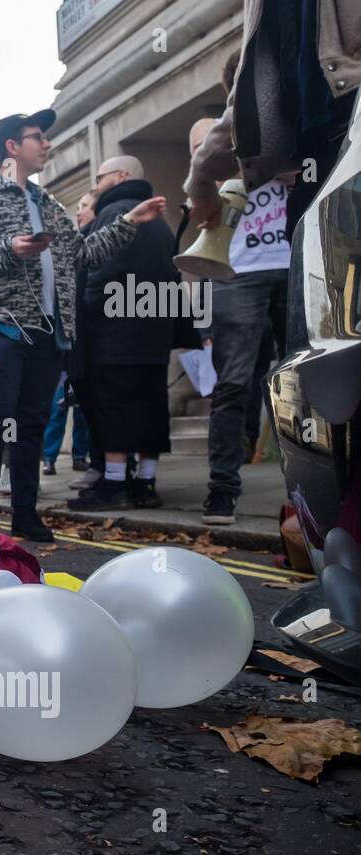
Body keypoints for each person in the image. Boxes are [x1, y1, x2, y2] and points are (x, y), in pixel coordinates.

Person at [0, 110, 166, 541]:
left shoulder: (49, 205)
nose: (47, 145)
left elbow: (83, 255)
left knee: (31, 425)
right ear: (12, 147)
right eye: (38, 138)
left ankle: (25, 512)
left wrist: (129, 223)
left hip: (48, 331)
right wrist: (10, 248)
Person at [196, 55, 293, 526]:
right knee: (233, 383)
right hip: (240, 271)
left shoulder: (300, 115)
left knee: (309, 381)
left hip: (296, 263)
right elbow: (198, 189)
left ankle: (315, 494)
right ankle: (222, 491)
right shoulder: (227, 130)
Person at [187, 2, 360, 243]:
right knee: (304, 229)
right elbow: (250, 97)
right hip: (325, 154)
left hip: (349, 134)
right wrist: (202, 176)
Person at [67, 156, 180, 511]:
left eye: (99, 177)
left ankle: (115, 484)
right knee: (151, 407)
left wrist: (86, 315)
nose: (96, 183)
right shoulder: (162, 223)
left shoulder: (111, 214)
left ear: (120, 176)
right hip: (154, 328)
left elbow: (98, 274)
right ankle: (146, 483)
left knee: (113, 407)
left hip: (114, 332)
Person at [46, 192, 95, 480]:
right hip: (59, 347)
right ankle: (50, 457)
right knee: (57, 408)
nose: (78, 213)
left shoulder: (76, 248)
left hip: (75, 341)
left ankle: (80, 455)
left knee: (82, 410)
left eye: (84, 207)